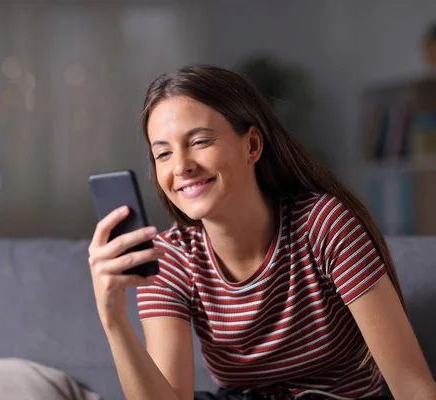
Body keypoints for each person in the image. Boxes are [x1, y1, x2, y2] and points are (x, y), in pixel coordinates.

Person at [87, 65, 436, 400]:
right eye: (162, 153)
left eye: (200, 141)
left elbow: (413, 387)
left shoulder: (323, 225)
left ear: (252, 145)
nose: (181, 166)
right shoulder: (170, 257)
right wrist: (113, 319)